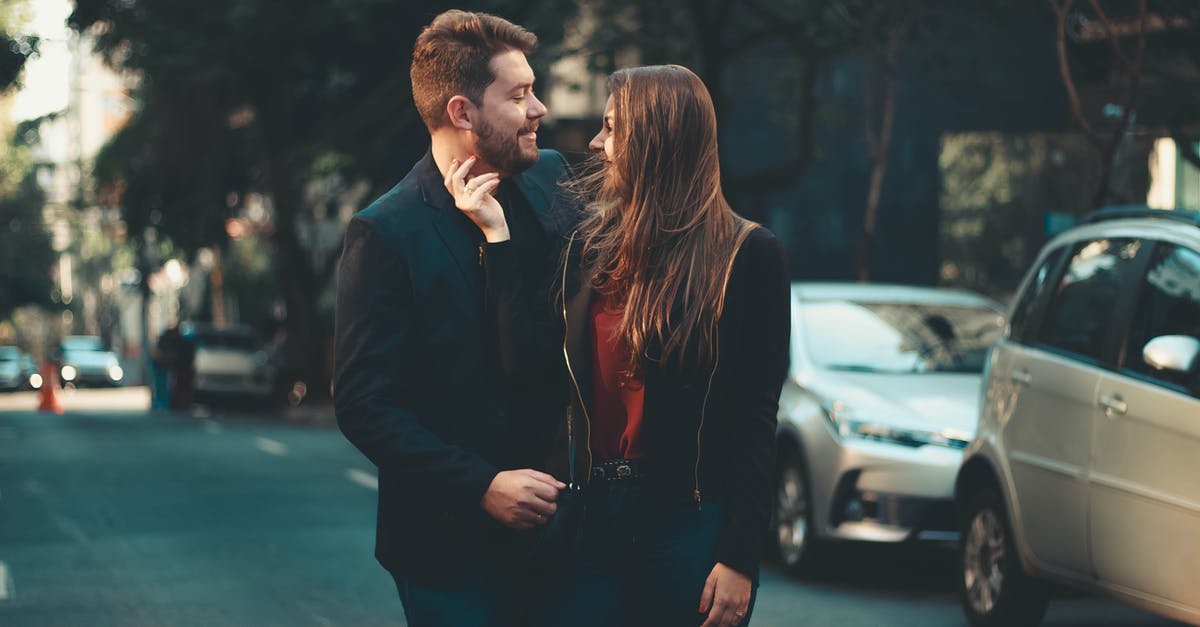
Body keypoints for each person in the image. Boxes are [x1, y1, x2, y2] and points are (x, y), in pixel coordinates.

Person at [451, 64, 791, 627]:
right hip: (591, 519)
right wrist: (497, 237)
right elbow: (530, 361)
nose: (597, 144)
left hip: (690, 524)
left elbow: (755, 416)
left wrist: (739, 558)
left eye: (613, 129)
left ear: (657, 139)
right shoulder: (591, 246)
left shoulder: (748, 254)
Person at [332, 9, 577, 627]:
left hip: (564, 539)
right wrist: (480, 486)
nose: (538, 109)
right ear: (462, 113)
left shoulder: (551, 180)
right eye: (518, 95)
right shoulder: (386, 232)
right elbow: (365, 405)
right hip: (448, 555)